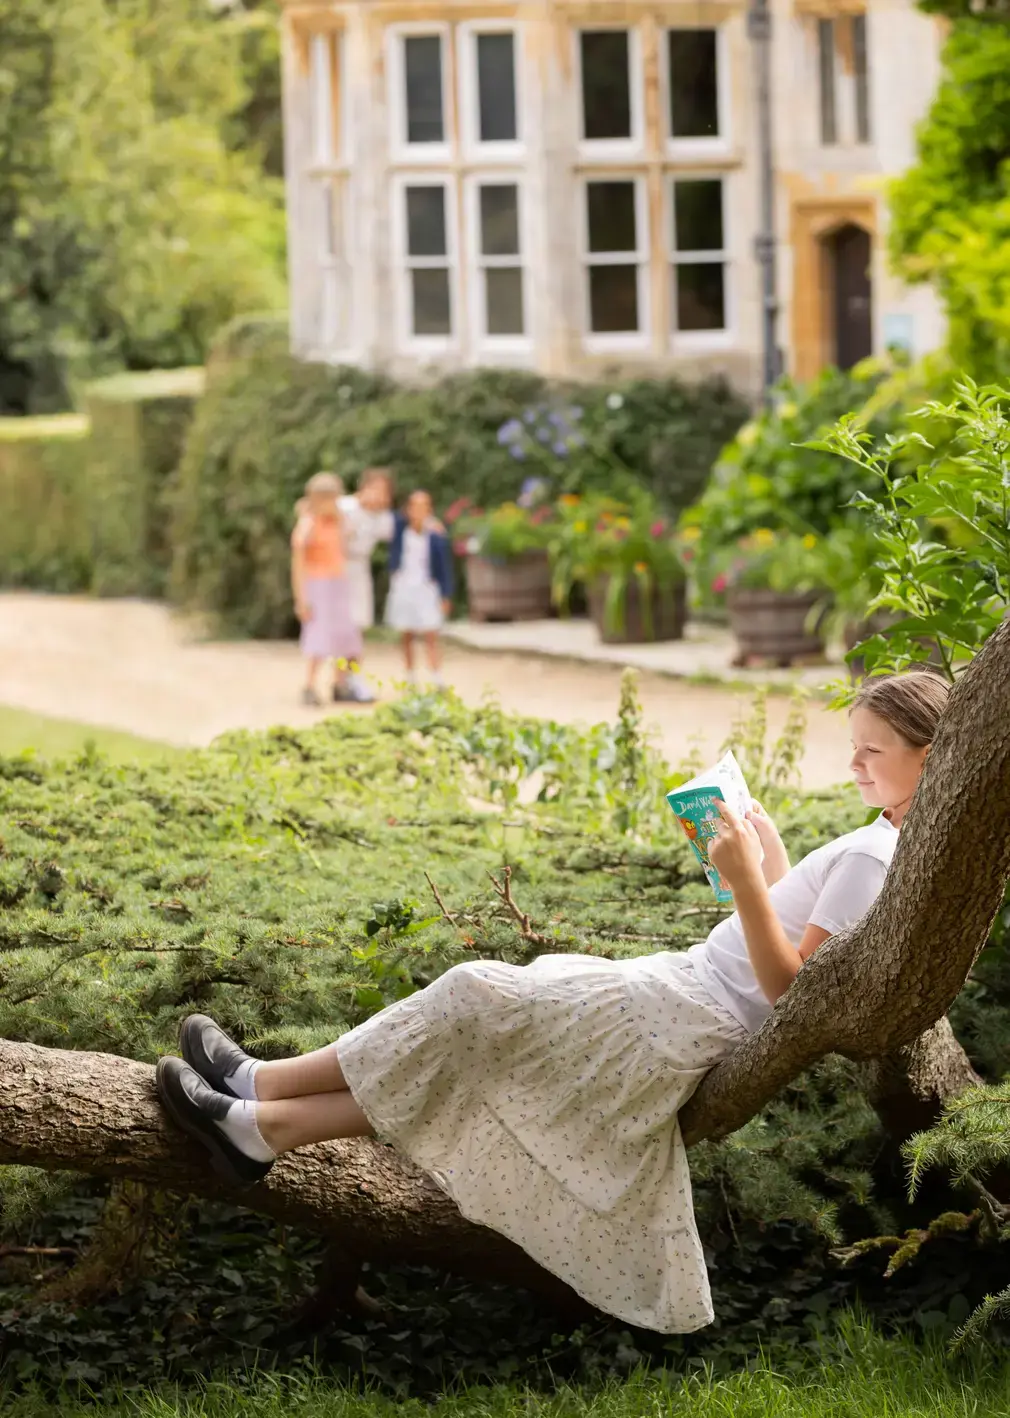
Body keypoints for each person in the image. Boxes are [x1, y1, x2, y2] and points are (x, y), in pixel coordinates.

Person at [155, 671, 950, 1334]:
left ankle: (264, 1099)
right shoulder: (883, 837)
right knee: (474, 1021)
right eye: (852, 748)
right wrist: (767, 861)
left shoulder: (877, 858)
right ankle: (262, 1114)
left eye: (870, 751)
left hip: (685, 1013)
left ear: (931, 755)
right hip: (677, 986)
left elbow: (790, 993)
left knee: (474, 997)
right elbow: (781, 944)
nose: (853, 765)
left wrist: (745, 880)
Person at [290, 471, 362, 707]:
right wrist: (301, 599)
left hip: (338, 582)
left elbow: (351, 535)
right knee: (319, 638)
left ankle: (340, 682)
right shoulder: (307, 524)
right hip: (317, 584)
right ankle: (309, 685)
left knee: (345, 637)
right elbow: (299, 562)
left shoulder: (338, 521)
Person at [384, 489, 454, 689]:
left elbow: (443, 567)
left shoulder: (435, 536)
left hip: (427, 587)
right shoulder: (399, 530)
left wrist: (446, 595)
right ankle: (410, 675)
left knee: (431, 634)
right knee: (406, 634)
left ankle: (436, 676)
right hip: (404, 587)